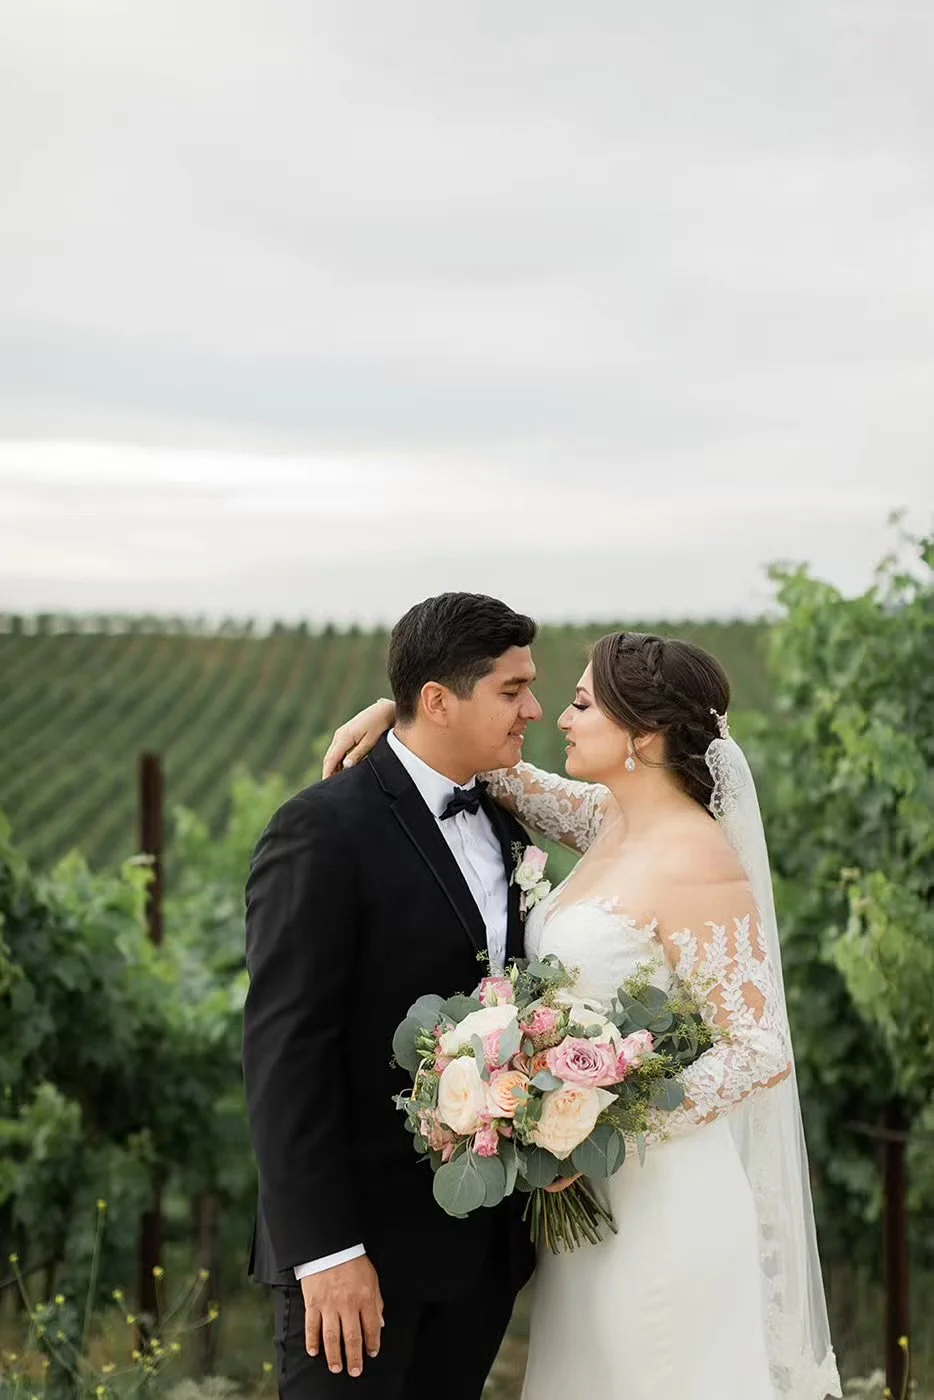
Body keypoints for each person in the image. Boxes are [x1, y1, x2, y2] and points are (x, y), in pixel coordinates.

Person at [324, 630, 842, 1400]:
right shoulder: (608, 818)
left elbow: (761, 1047)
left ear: (644, 732)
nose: (557, 718)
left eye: (579, 703)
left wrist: (598, 1119)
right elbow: (500, 774)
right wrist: (397, 716)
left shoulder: (696, 858)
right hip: (591, 1203)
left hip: (661, 1202)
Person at [242, 592, 540, 1400]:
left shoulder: (509, 823)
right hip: (355, 1262)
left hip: (478, 1256)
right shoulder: (321, 830)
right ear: (440, 701)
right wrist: (327, 1255)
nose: (534, 709)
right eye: (513, 691)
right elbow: (285, 1054)